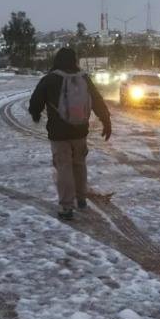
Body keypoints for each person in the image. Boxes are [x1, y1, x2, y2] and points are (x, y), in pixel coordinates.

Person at [29, 48, 111, 220]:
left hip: (58, 133)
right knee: (79, 164)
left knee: (64, 167)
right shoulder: (83, 78)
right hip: (80, 130)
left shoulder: (50, 79)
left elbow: (35, 101)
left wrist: (36, 114)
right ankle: (81, 199)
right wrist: (106, 120)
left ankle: (66, 207)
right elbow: (97, 100)